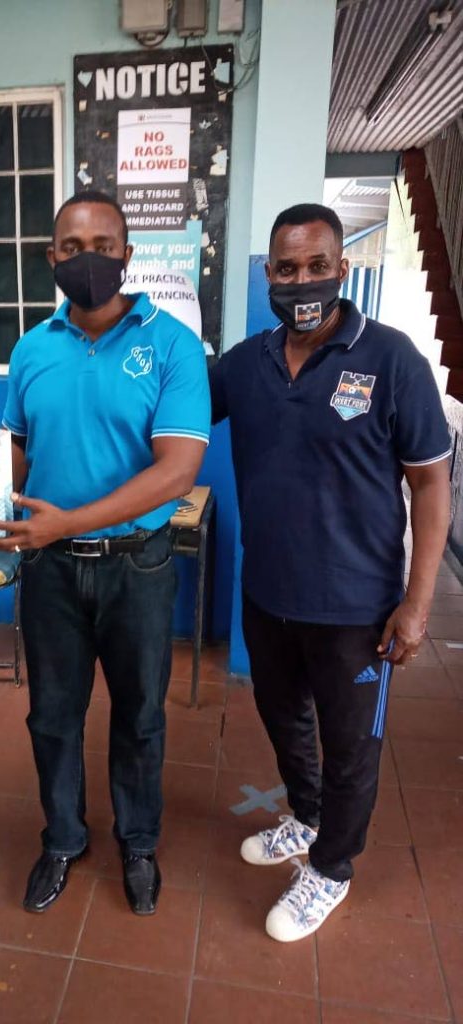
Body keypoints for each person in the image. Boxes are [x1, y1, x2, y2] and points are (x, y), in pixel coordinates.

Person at [210, 202, 451, 942]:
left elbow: (432, 484)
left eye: (318, 266)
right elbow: (169, 413)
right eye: (287, 268)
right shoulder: (246, 365)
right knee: (284, 721)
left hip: (357, 608)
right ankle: (307, 817)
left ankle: (333, 869)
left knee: (352, 747)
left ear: (343, 269)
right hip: (270, 596)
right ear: (269, 274)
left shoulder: (392, 359)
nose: (302, 280)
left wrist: (416, 606)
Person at [0, 191, 211, 916]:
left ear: (128, 256)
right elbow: (16, 454)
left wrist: (66, 520)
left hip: (137, 567)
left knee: (140, 715)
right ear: (52, 259)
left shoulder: (171, 344)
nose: (90, 260)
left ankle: (138, 843)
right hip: (48, 572)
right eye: (73, 247)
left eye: (105, 245)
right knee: (52, 716)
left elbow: (175, 472)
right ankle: (64, 838)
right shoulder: (30, 348)